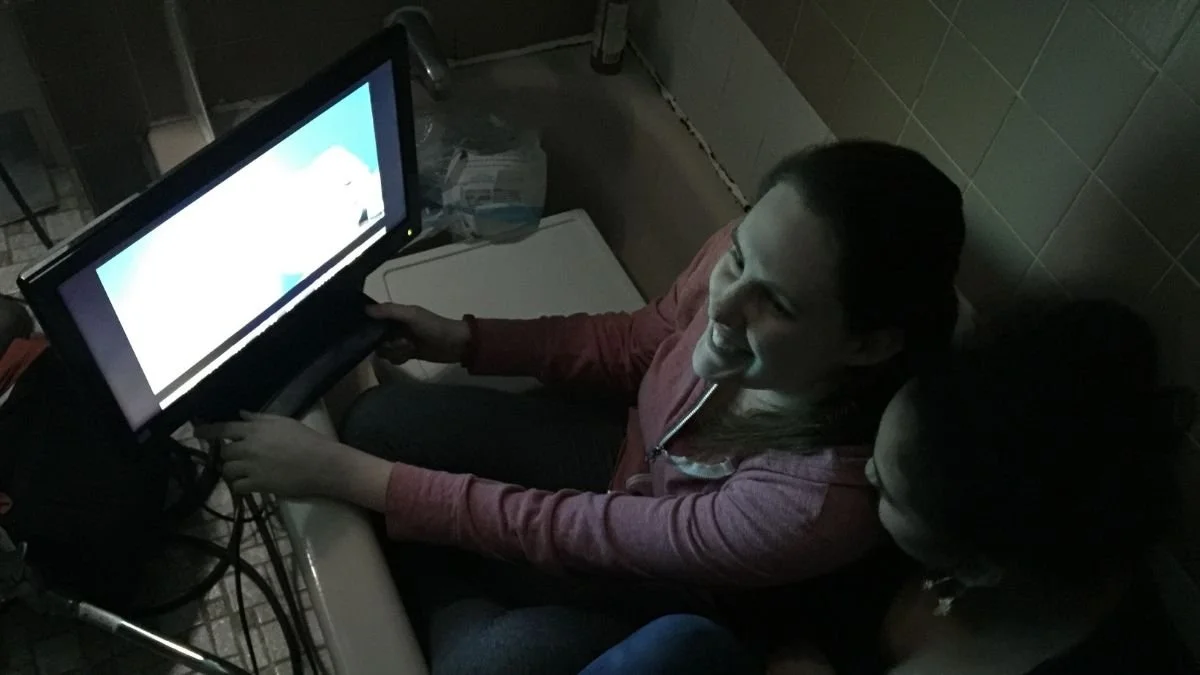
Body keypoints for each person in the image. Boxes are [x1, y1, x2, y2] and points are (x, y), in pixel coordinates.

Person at [195, 140, 967, 674]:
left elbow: (587, 531)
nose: (726, 303)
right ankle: (453, 567)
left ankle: (447, 571)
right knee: (379, 426)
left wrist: (347, 478)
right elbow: (639, 342)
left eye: (779, 304)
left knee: (484, 664)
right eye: (738, 259)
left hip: (671, 584)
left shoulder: (815, 498)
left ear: (866, 346)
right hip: (620, 468)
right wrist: (462, 338)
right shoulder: (749, 251)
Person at [587, 300, 1197, 675]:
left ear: (977, 564)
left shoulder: (1098, 654)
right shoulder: (974, 483)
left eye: (888, 493)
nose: (864, 476)